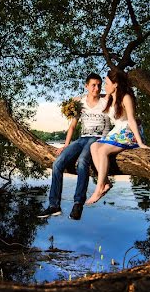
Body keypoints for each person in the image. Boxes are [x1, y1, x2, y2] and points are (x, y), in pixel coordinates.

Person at [37, 73, 111, 221]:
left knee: (83, 161)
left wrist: (102, 94)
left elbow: (115, 91)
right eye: (93, 85)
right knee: (57, 163)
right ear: (86, 86)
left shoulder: (106, 102)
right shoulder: (80, 103)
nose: (96, 88)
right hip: (82, 139)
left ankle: (78, 204)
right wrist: (65, 145)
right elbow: (72, 126)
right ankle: (54, 205)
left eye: (99, 85)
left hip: (98, 139)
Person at [86, 68, 150, 205]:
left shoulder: (126, 97)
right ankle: (106, 182)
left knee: (103, 151)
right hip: (117, 131)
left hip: (129, 131)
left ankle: (98, 189)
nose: (104, 85)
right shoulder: (110, 97)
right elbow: (91, 97)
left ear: (115, 84)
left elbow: (132, 120)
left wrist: (140, 143)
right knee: (94, 146)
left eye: (106, 82)